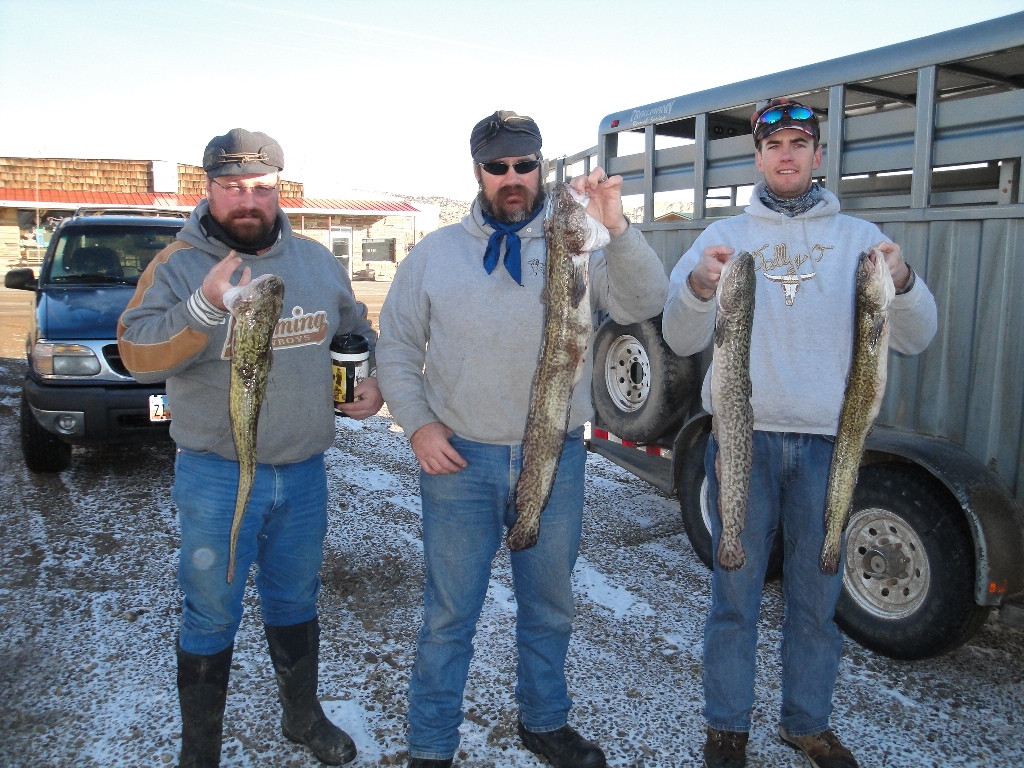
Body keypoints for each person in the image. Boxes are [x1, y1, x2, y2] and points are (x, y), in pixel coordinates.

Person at [375, 110, 669, 768]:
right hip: (460, 463)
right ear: (477, 170)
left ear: (542, 167)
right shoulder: (434, 255)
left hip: (555, 456)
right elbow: (394, 348)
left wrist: (616, 225)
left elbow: (645, 301)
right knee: (449, 614)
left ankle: (544, 722)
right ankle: (430, 744)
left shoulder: (579, 240)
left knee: (550, 607)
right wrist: (419, 425)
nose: (513, 177)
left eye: (525, 164)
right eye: (498, 165)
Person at [661, 99, 938, 768]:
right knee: (735, 594)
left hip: (829, 449)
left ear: (817, 156)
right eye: (774, 143)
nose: (786, 153)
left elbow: (917, 336)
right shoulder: (723, 235)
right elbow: (678, 333)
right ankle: (727, 727)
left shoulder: (860, 238)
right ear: (756, 157)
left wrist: (900, 279)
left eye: (798, 143)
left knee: (819, 600)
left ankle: (805, 722)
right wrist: (699, 285)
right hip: (742, 441)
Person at [118, 128, 383, 768]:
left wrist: (368, 379)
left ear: (278, 191)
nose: (247, 200)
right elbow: (135, 353)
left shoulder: (316, 261)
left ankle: (301, 717)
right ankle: (199, 750)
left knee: (296, 599)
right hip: (215, 472)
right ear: (207, 189)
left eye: (260, 188)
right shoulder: (178, 264)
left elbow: (353, 330)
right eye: (232, 187)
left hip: (304, 470)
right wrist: (205, 306)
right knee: (211, 610)